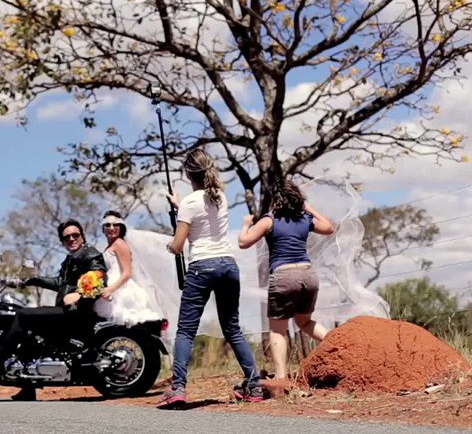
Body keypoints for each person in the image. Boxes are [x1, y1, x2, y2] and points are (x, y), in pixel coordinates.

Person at [157, 148, 262, 409]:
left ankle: (178, 388)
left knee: (186, 330)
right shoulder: (220, 197)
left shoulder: (190, 204)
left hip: (202, 267)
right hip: (228, 265)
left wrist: (169, 244)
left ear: (187, 173)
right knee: (233, 328)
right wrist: (179, 206)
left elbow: (179, 245)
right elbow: (202, 214)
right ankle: (254, 385)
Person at [0, 218, 107, 401]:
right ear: (62, 241)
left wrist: (79, 295)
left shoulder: (90, 255)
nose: (71, 239)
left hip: (76, 312)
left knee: (22, 315)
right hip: (66, 310)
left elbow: (99, 277)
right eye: (66, 237)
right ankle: (28, 388)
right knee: (30, 334)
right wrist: (31, 280)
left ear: (82, 236)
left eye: (75, 235)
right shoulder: (71, 259)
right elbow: (60, 283)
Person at [238, 180, 335, 379]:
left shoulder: (269, 220)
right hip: (308, 276)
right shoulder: (304, 220)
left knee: (277, 331)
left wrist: (245, 225)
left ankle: (281, 378)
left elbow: (243, 242)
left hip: (284, 276)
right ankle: (337, 345)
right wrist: (309, 209)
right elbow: (329, 228)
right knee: (304, 322)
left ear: (277, 201)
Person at [93, 210, 162, 325]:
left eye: (115, 225)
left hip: (121, 289)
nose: (111, 228)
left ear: (121, 227)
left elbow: (127, 273)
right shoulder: (109, 246)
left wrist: (111, 289)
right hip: (111, 287)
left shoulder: (120, 243)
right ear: (103, 228)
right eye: (108, 225)